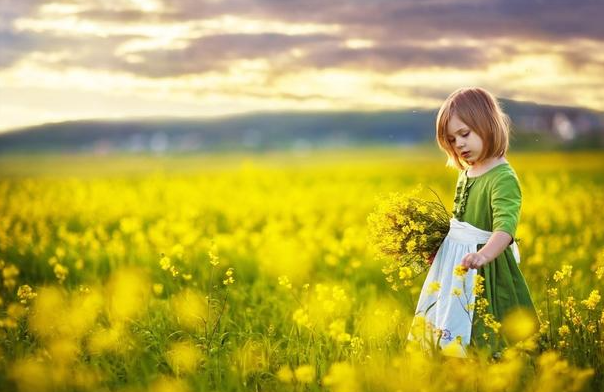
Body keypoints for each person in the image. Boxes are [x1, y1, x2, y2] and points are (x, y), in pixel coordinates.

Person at [406, 87, 539, 359]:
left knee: (482, 321)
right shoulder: (467, 173)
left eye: (464, 134)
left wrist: (483, 255)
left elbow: (505, 229)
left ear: (487, 125)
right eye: (452, 140)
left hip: (485, 266)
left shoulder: (502, 177)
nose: (459, 145)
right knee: (449, 315)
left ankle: (489, 366)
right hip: (457, 261)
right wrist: (439, 249)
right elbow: (459, 220)